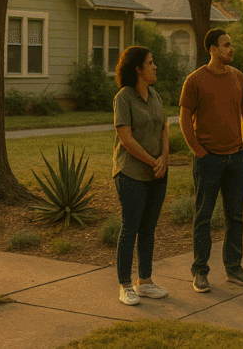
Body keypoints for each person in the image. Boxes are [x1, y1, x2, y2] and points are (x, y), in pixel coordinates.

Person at [179, 28, 243, 292]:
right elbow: (184, 118)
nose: (231, 49)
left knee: (235, 216)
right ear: (212, 50)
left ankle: (234, 269)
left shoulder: (239, 78)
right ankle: (200, 272)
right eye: (226, 45)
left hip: (236, 160)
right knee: (203, 217)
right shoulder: (195, 80)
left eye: (231, 44)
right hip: (208, 160)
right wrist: (198, 151)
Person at [112, 46, 170, 306]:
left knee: (149, 227)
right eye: (150, 62)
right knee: (131, 227)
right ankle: (125, 285)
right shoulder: (124, 97)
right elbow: (126, 139)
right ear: (138, 68)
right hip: (131, 173)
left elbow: (164, 128)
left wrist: (165, 159)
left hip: (157, 173)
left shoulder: (155, 95)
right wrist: (152, 161)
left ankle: (145, 282)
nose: (155, 66)